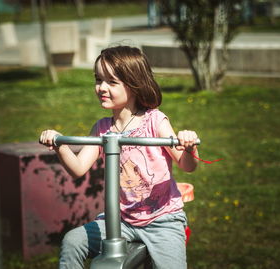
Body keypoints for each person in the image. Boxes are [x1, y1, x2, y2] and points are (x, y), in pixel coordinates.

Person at [39, 46, 199, 269]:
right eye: (98, 79)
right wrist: (60, 145)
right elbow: (78, 168)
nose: (101, 88)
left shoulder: (155, 121)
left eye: (112, 82)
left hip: (161, 221)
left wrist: (189, 146)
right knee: (73, 241)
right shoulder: (103, 129)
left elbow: (187, 165)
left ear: (134, 85)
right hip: (119, 220)